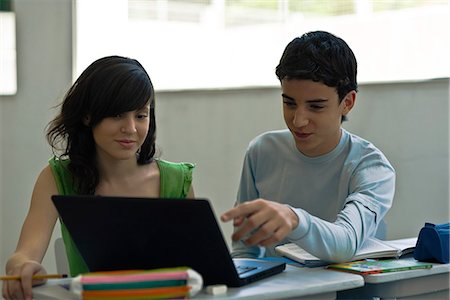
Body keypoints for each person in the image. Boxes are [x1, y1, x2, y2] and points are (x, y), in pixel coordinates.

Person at [2, 56, 195, 300]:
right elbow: (24, 255)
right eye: (117, 115)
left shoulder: (177, 181)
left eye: (141, 115)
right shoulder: (57, 177)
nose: (131, 128)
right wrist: (21, 267)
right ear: (87, 116)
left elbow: (199, 270)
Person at [221, 31, 395, 263]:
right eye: (289, 103)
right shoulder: (262, 151)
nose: (298, 120)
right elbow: (245, 251)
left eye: (316, 106)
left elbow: (345, 242)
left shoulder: (371, 167)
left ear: (348, 102)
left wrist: (294, 219)